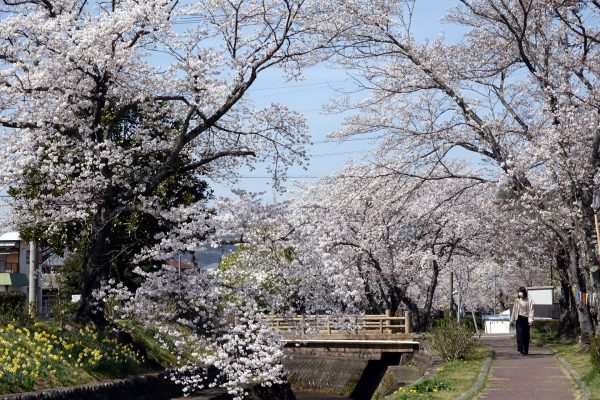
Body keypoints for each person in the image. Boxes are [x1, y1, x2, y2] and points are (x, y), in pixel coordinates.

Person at [509, 287, 534, 356]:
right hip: (518, 319)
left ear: (524, 293)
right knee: (520, 335)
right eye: (519, 292)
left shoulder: (529, 300)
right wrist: (512, 320)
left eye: (521, 292)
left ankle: (526, 350)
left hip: (526, 319)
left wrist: (530, 320)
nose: (520, 293)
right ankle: (521, 350)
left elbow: (531, 311)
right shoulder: (517, 300)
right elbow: (514, 311)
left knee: (526, 335)